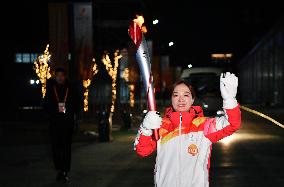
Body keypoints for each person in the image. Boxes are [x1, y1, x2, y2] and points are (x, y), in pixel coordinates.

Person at [134, 72, 241, 187]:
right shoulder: (161, 126)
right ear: (171, 99)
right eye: (176, 95)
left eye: (186, 95)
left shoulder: (204, 126)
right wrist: (145, 128)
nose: (181, 99)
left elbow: (232, 124)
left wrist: (230, 100)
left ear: (192, 99)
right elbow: (142, 150)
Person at [44, 68, 78, 183]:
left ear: (65, 77)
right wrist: (51, 114)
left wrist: (72, 114)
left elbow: (76, 103)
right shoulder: (50, 88)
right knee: (55, 147)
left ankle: (65, 171)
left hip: (67, 123)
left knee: (66, 148)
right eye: (57, 75)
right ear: (55, 77)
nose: (59, 78)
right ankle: (59, 169)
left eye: (61, 75)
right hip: (55, 123)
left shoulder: (71, 88)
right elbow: (46, 104)